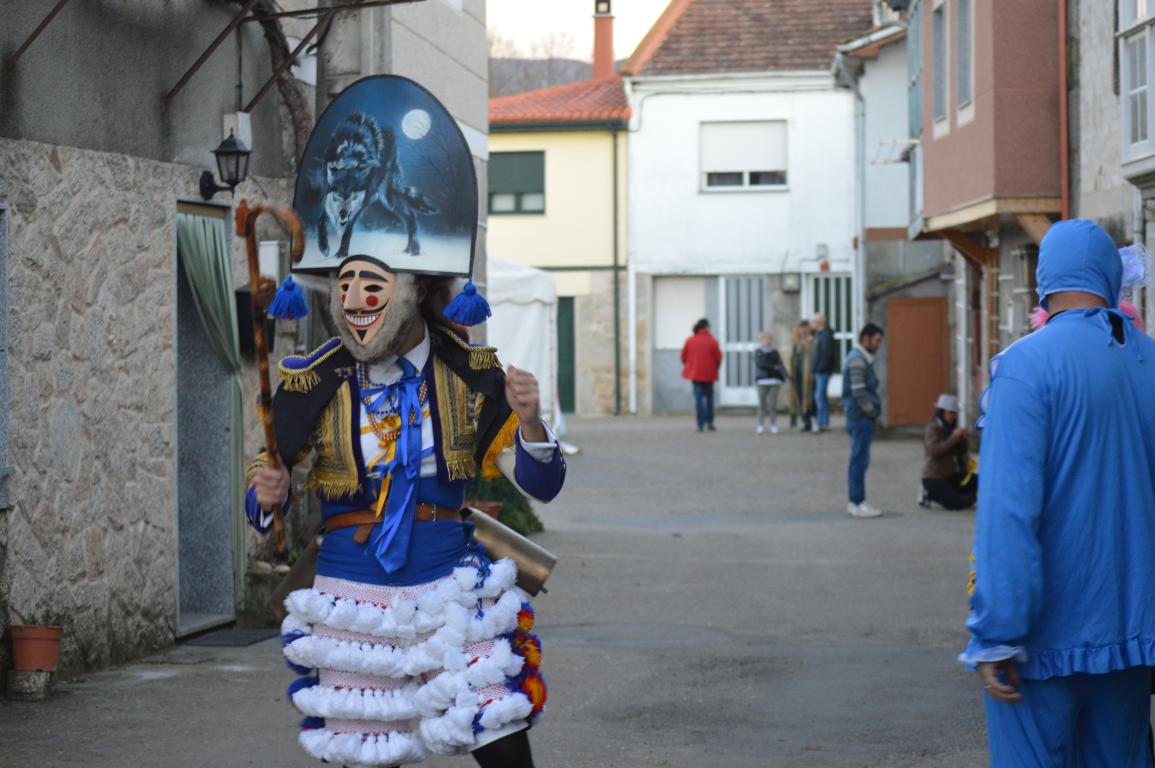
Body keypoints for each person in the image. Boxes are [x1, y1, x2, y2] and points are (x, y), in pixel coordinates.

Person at [246, 76, 566, 768]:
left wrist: (533, 424)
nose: (355, 301)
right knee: (362, 756)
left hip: (451, 582)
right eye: (346, 284)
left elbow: (541, 486)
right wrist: (265, 499)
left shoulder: (474, 376)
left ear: (417, 289)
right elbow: (267, 486)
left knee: (502, 747)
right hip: (351, 591)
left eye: (374, 284)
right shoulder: (310, 383)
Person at [961, 219, 1155, 767]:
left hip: (1040, 642)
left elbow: (1007, 512)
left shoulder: (1025, 366)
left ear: (1045, 280)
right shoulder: (1151, 363)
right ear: (1110, 275)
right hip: (1132, 640)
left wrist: (998, 631)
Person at [841, 323, 884, 518]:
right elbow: (859, 391)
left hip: (859, 417)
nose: (878, 345)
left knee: (859, 459)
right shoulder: (858, 360)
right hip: (860, 418)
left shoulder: (860, 358)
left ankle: (856, 501)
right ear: (865, 339)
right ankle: (857, 501)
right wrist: (872, 411)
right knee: (859, 459)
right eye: (876, 340)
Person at [919, 394, 977, 510]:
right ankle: (928, 493)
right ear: (942, 412)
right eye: (950, 413)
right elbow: (934, 451)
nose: (953, 416)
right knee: (956, 505)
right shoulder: (933, 427)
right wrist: (954, 437)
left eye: (954, 413)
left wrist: (963, 440)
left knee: (977, 481)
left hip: (950, 475)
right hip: (933, 477)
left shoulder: (952, 428)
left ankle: (957, 495)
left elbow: (961, 455)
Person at [681, 318, 722, 432]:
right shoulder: (712, 341)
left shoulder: (690, 340)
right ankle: (710, 422)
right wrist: (714, 368)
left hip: (695, 374)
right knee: (709, 399)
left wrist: (691, 365)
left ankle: (700, 424)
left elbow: (684, 357)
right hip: (709, 374)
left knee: (698, 399)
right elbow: (718, 358)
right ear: (706, 328)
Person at [753, 331, 787, 434]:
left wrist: (784, 376)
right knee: (762, 405)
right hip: (762, 380)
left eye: (769, 339)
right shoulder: (758, 352)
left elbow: (780, 365)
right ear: (761, 340)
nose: (767, 341)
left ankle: (773, 424)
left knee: (772, 405)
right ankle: (760, 424)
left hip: (774, 380)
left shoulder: (775, 352)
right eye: (765, 339)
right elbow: (761, 364)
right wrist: (773, 367)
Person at [810, 313, 836, 433]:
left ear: (819, 323)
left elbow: (827, 355)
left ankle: (823, 423)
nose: (811, 325)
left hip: (823, 371)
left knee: (820, 397)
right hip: (819, 371)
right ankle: (821, 422)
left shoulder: (825, 336)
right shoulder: (819, 335)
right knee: (820, 397)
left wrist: (819, 368)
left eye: (813, 322)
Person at [790, 320, 814, 431]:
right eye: (801, 330)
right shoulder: (797, 343)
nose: (802, 332)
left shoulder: (812, 342)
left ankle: (810, 421)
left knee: (808, 398)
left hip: (809, 374)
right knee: (799, 397)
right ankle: (805, 421)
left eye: (804, 330)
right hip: (798, 374)